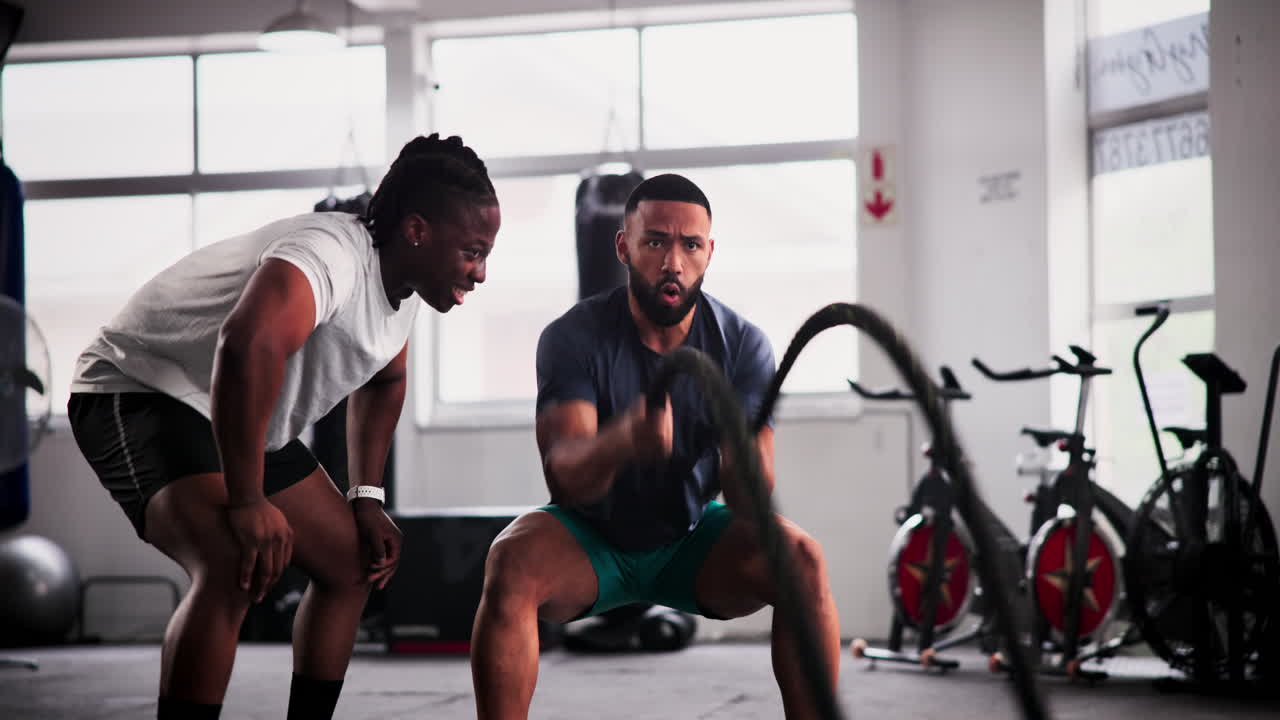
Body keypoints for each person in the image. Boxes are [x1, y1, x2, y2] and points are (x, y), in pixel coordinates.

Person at [66, 134, 499, 720]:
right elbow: (248, 343)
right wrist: (247, 501)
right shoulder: (329, 252)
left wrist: (365, 498)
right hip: (142, 388)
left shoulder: (406, 288)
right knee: (232, 561)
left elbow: (385, 382)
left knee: (351, 566)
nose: (479, 273)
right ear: (418, 231)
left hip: (243, 412)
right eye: (472, 252)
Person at [470, 173, 840, 719]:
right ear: (623, 246)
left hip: (692, 540)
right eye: (656, 241)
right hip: (592, 542)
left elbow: (749, 499)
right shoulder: (572, 336)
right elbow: (564, 476)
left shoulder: (741, 344)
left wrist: (733, 439)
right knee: (511, 560)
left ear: (709, 253)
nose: (674, 262)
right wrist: (623, 442)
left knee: (803, 562)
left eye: (690, 244)